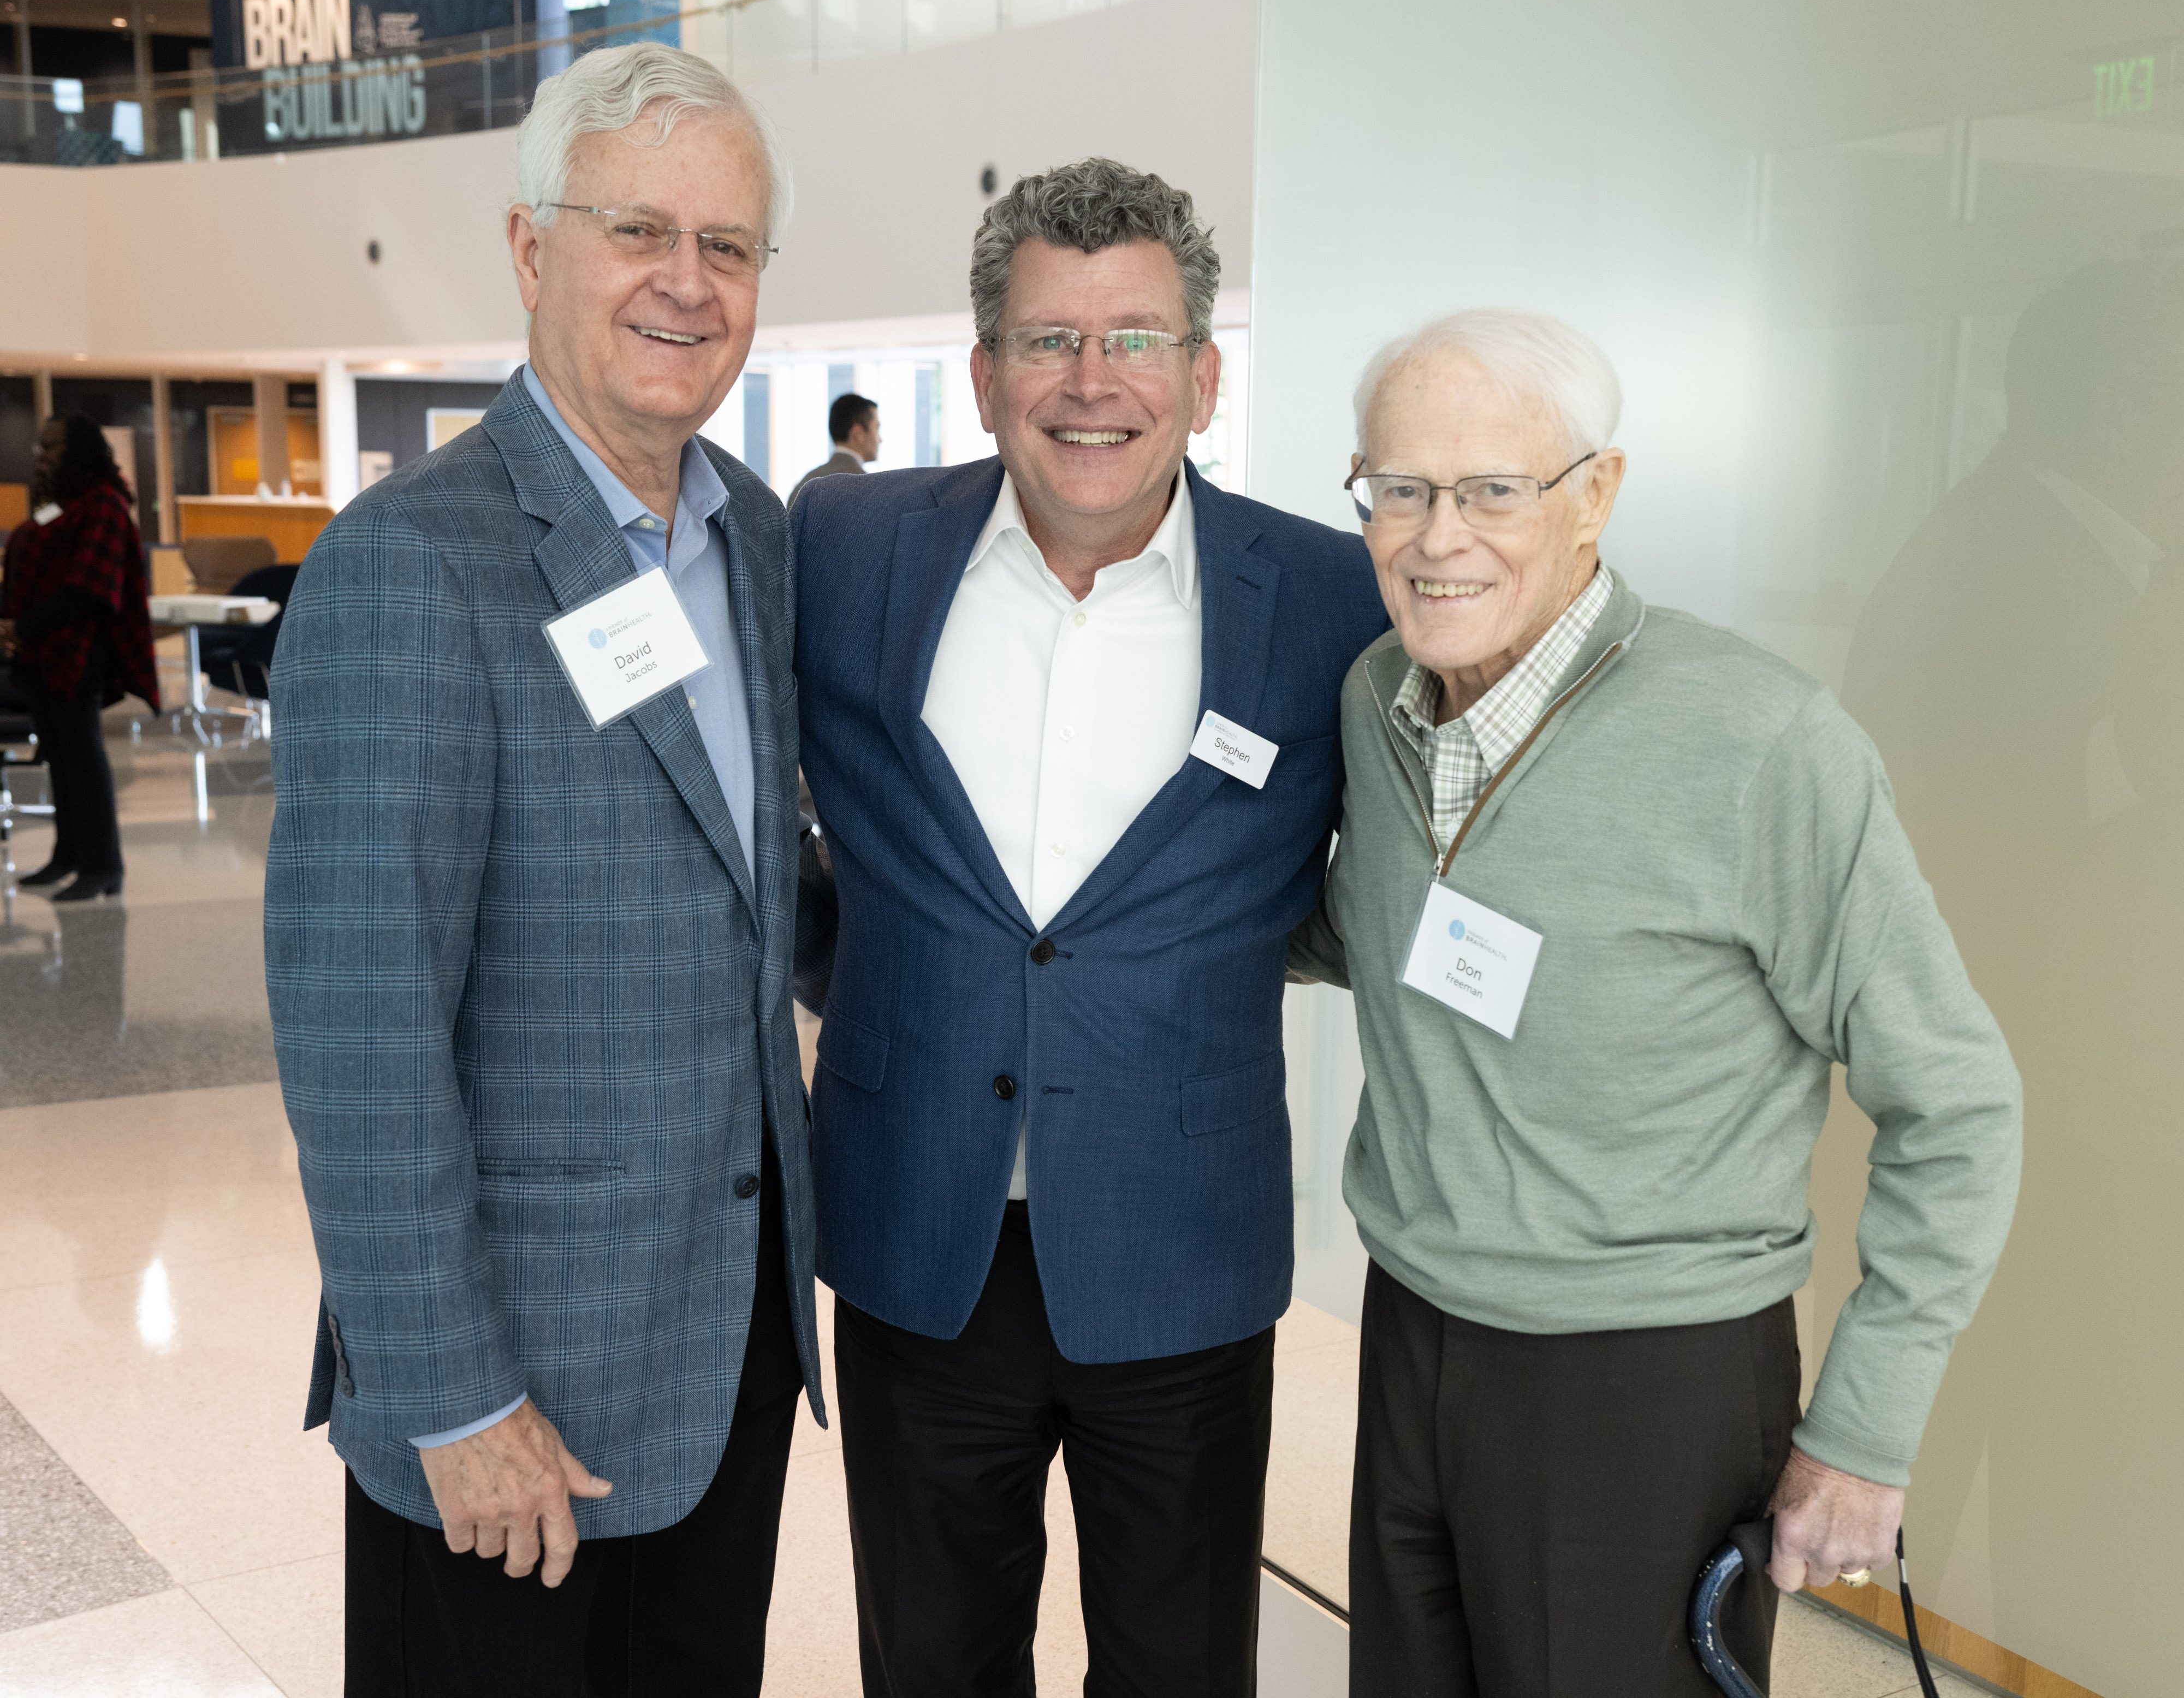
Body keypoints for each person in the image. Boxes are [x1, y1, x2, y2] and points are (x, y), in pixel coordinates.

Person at [1286, 309, 2022, 1696]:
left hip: (1643, 1377)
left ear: (1595, 495)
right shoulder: (1377, 696)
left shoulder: (1761, 742)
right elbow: (1361, 926)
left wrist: (1861, 1433)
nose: (1438, 537)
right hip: (1413, 1333)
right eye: (1398, 488)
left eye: (1491, 489)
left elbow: (1958, 1106)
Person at [264, 43, 821, 1697]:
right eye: (636, 229)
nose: (685, 281)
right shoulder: (412, 563)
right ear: (529, 250)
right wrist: (451, 1392)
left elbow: (746, 894)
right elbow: (359, 1029)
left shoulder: (755, 537)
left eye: (727, 245)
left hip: (721, 1355)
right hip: (510, 1407)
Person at [793, 157, 1387, 1697]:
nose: (1090, 381)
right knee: (930, 1661)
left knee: (1179, 1664)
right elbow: (751, 815)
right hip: (918, 1231)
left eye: (1134, 339)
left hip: (1179, 1241)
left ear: (1203, 375)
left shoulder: (1330, 597)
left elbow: (1394, 862)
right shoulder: (844, 550)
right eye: (1050, 339)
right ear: (986, 372)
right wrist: (867, 973)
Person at [1842, 254, 2184, 1654]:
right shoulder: (2003, 571)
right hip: (2041, 1109)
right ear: (2122, 407)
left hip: (2056, 1107)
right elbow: (1998, 828)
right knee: (2036, 1466)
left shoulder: (2060, 556)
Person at [0, 414, 158, 902]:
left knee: (84, 761)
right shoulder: (60, 505)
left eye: (52, 447)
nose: (42, 457)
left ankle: (102, 866)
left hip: (78, 654)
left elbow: (92, 588)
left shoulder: (105, 505)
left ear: (80, 451)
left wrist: (22, 627)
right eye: (41, 447)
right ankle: (67, 856)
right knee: (60, 759)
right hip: (41, 654)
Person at [786, 390, 879, 512]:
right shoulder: (870, 488)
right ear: (858, 433)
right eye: (877, 428)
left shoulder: (804, 485)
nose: (880, 440)